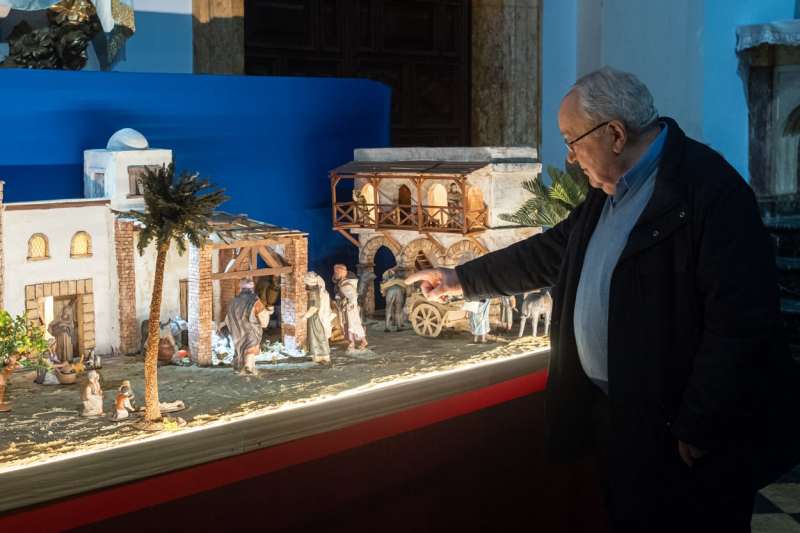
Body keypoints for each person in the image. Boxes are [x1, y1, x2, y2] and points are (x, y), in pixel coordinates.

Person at [406, 66, 800, 532]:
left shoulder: (709, 191)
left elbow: (740, 320)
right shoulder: (610, 190)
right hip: (622, 421)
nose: (570, 158)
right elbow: (552, 252)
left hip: (681, 435)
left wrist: (701, 421)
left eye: (572, 141)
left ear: (615, 134)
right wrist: (458, 278)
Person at [222, 278, 271, 375]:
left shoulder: (233, 301)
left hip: (237, 332)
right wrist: (266, 318)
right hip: (251, 331)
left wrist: (227, 326)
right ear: (251, 289)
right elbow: (263, 318)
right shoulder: (255, 301)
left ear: (241, 289)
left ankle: (239, 367)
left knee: (240, 349)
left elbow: (228, 318)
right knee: (250, 349)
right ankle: (248, 367)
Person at [332, 264, 367, 351]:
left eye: (336, 272)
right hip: (346, 308)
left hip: (351, 308)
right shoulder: (342, 283)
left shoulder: (347, 284)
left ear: (341, 272)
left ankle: (363, 341)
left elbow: (352, 296)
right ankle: (351, 342)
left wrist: (348, 303)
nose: (335, 274)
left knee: (354, 324)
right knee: (347, 325)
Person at [303, 271, 334, 364]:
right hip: (315, 317)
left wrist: (305, 316)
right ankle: (317, 356)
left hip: (316, 318)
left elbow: (314, 307)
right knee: (315, 337)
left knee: (318, 336)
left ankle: (323, 356)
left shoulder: (314, 292)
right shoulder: (318, 290)